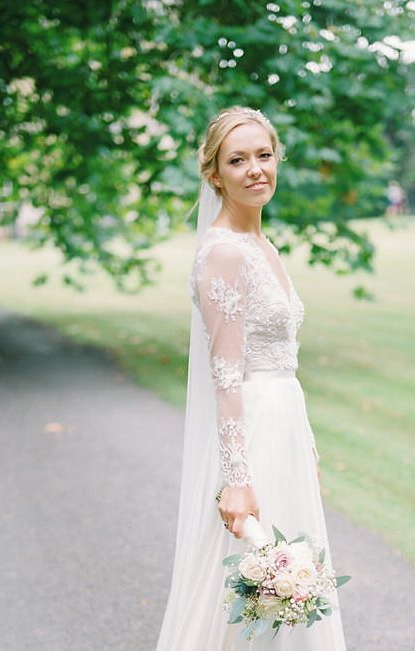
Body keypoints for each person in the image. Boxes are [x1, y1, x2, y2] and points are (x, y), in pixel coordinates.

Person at [155, 106, 347, 650]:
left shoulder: (264, 247)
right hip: (253, 434)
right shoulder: (223, 253)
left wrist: (305, 442)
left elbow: (284, 357)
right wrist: (237, 479)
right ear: (215, 174)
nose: (255, 169)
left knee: (288, 590)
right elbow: (226, 375)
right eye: (238, 160)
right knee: (251, 594)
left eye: (264, 155)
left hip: (283, 426)